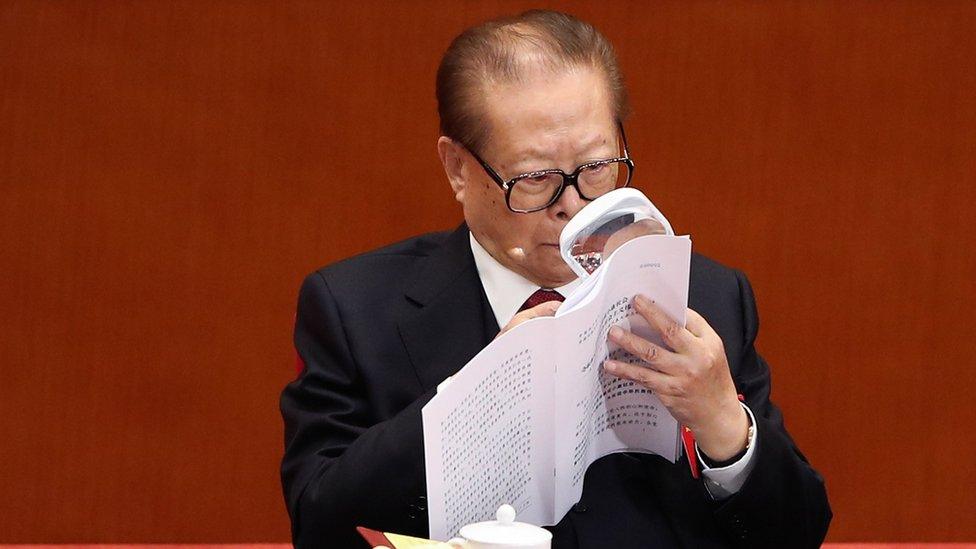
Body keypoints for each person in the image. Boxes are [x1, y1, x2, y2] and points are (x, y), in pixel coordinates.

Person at [280, 10, 831, 548]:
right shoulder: (354, 308)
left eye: (595, 168)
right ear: (457, 169)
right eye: (535, 178)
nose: (572, 207)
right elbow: (321, 523)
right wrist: (478, 397)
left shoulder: (706, 296)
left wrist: (725, 429)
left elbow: (799, 532)